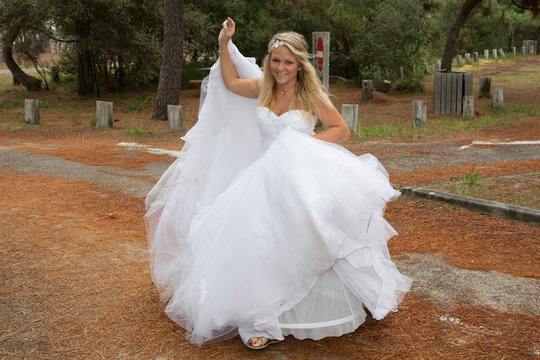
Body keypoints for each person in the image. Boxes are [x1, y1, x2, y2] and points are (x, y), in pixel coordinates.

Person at [145, 17, 412, 350]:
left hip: (300, 177)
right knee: (252, 239)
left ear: (299, 65)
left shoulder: (309, 93)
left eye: (288, 62)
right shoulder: (261, 87)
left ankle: (301, 307)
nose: (281, 67)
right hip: (262, 177)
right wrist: (223, 43)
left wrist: (302, 147)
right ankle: (259, 317)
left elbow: (340, 129)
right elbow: (228, 83)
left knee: (309, 232)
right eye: (276, 60)